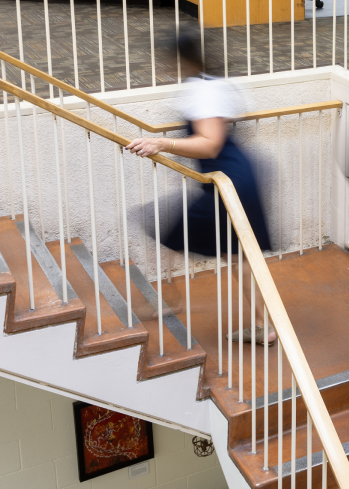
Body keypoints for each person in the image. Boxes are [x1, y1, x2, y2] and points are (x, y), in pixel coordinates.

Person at [126, 32, 275, 346]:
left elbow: (209, 144)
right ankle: (260, 323)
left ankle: (260, 324)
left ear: (182, 59)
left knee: (177, 234)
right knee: (231, 253)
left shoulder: (201, 90)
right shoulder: (214, 82)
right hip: (233, 177)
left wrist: (161, 143)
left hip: (228, 181)